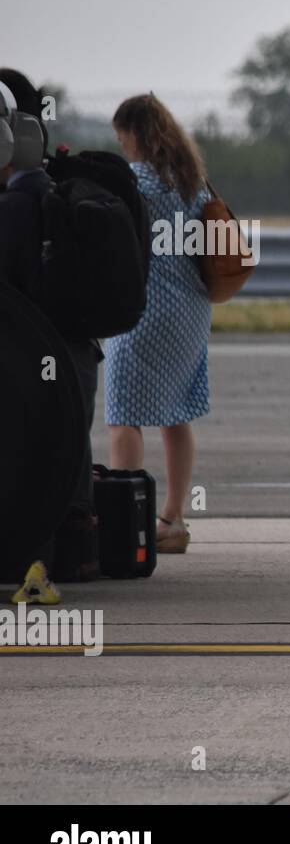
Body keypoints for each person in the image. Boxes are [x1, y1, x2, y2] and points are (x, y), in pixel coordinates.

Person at [1, 69, 100, 601]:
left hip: (32, 354)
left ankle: (37, 563)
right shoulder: (59, 189)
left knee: (33, 456)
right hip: (74, 349)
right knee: (68, 451)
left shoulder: (16, 206)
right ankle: (75, 553)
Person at [104, 94, 214, 553]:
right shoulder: (194, 183)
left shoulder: (134, 183)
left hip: (144, 313)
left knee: (122, 414)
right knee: (177, 413)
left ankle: (124, 523)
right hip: (191, 313)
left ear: (133, 134)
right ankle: (173, 518)